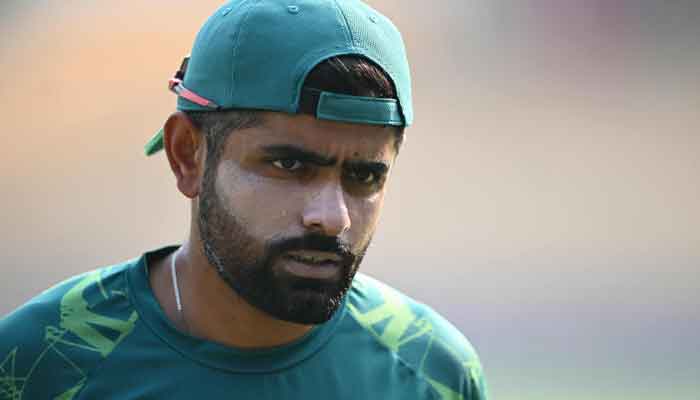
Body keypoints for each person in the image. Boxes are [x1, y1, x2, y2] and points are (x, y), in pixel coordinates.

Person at [0, 0, 487, 398]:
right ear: (188, 155)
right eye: (289, 165)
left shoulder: (432, 371)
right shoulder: (40, 364)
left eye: (364, 176)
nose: (332, 217)